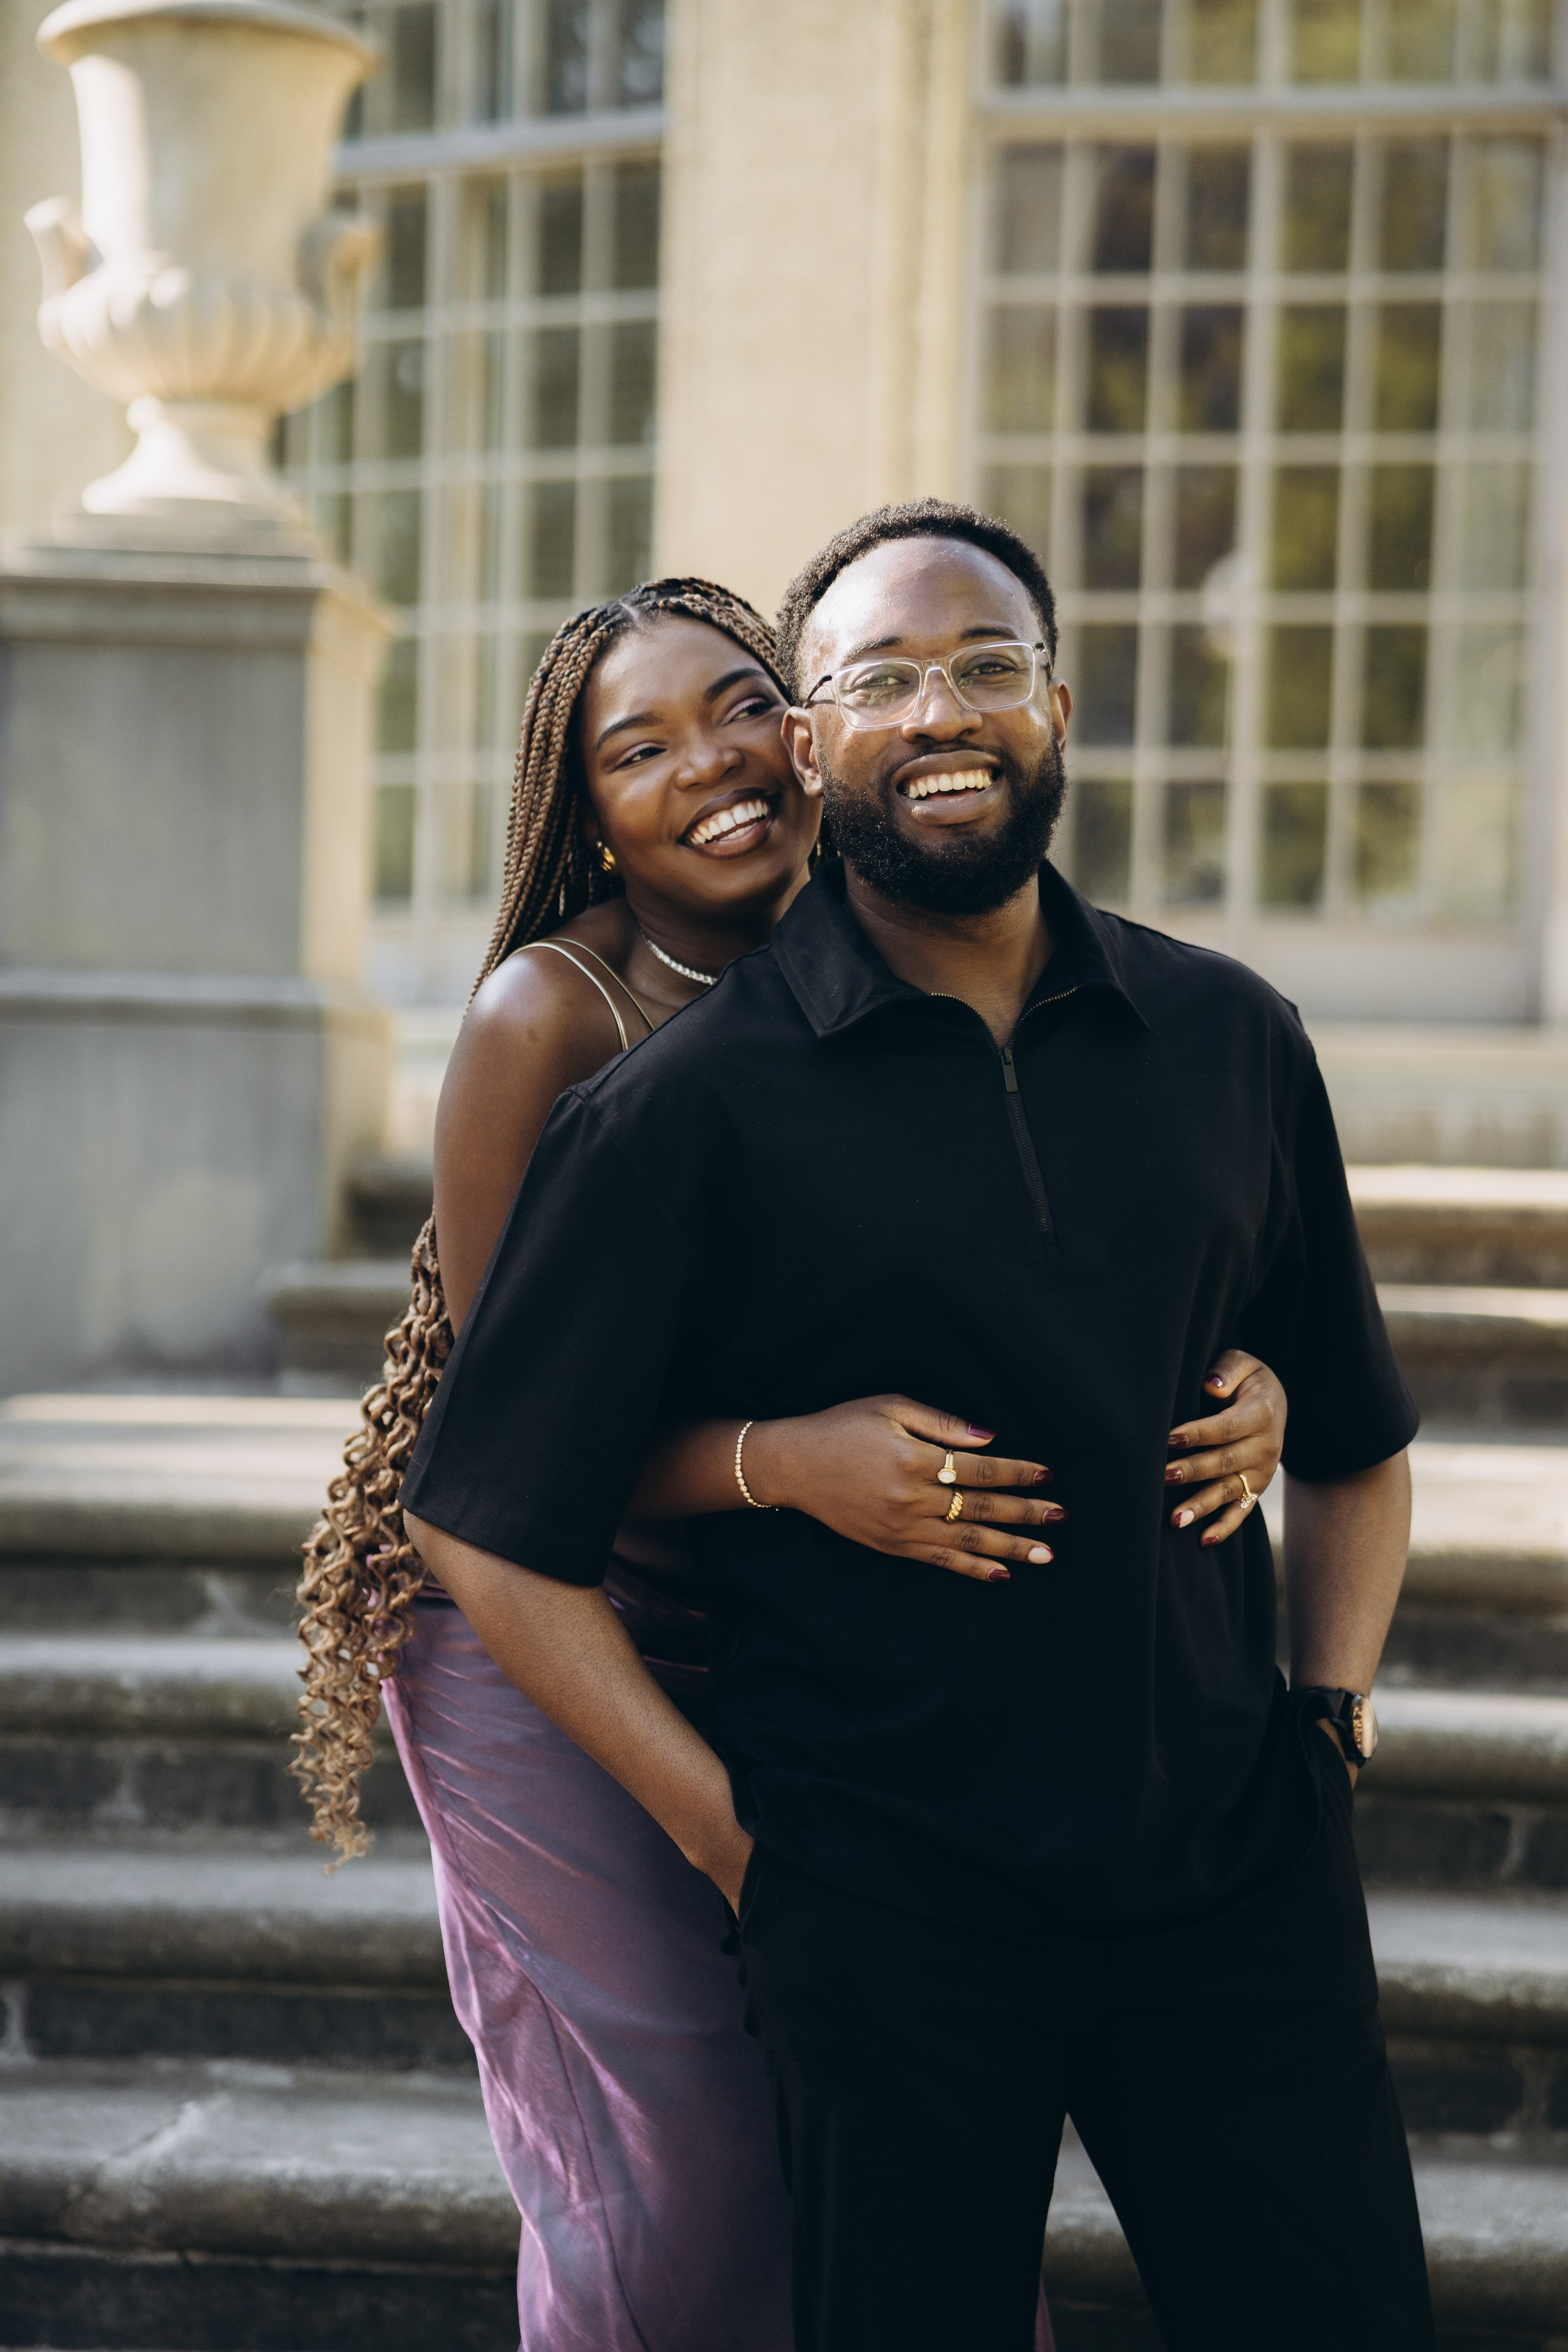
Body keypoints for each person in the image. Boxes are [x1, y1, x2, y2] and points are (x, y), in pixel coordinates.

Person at [400, 501, 1433, 2352]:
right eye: (880, 677)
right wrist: (745, 1848)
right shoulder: (670, 1104)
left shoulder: (1232, 1036)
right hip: (883, 1897)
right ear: (822, 739)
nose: (939, 711)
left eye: (985, 666)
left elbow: (1351, 1424)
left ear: (1060, 701)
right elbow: (490, 1509)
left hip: (1228, 1871)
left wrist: (1327, 1724)